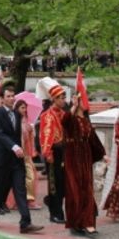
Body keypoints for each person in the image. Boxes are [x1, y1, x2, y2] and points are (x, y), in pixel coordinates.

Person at [0, 85, 44, 234]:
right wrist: (14, 147)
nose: (11, 99)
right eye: (8, 96)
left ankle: (25, 223)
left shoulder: (17, 115)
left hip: (16, 161)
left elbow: (17, 136)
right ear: (3, 98)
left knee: (20, 190)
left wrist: (22, 146)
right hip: (1, 159)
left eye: (13, 96)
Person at [63, 91, 105, 237]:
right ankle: (76, 223)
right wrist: (73, 107)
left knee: (87, 189)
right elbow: (64, 121)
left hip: (85, 158)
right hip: (72, 156)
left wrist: (103, 155)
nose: (86, 103)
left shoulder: (86, 121)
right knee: (74, 190)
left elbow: (93, 139)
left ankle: (88, 223)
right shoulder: (72, 119)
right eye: (84, 100)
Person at [37, 77, 67, 224]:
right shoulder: (46, 115)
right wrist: (47, 153)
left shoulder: (64, 114)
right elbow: (45, 136)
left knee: (64, 184)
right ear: (54, 99)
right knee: (54, 184)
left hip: (64, 153)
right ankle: (55, 213)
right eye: (61, 98)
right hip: (53, 153)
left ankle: (52, 203)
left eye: (64, 97)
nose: (63, 100)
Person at [6, 99, 41, 211]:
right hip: (16, 154)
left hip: (26, 154)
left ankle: (29, 200)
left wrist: (31, 130)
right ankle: (18, 201)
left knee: (31, 175)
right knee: (18, 179)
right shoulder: (13, 121)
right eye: (22, 108)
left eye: (25, 108)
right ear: (17, 108)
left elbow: (29, 139)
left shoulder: (26, 121)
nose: (24, 110)